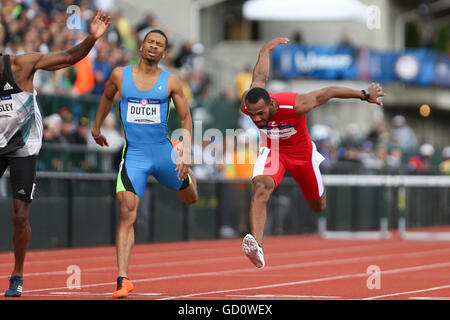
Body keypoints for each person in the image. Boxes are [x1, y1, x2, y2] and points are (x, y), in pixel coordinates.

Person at [239, 38, 385, 269]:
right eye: (252, 115)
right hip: (273, 152)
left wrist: (364, 94)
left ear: (271, 106)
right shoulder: (248, 104)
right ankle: (257, 246)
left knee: (317, 206)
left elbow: (329, 91)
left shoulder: (297, 105)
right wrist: (265, 50)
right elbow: (259, 77)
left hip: (302, 156)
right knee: (261, 188)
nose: (255, 118)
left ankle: (318, 191)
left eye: (259, 114)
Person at [0, 9, 110, 297]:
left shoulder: (21, 65)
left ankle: (17, 275)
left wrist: (92, 38)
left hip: (23, 146)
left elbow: (69, 57)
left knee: (19, 216)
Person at [91, 29, 198, 299]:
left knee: (190, 198)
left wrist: (184, 153)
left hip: (164, 152)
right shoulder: (119, 75)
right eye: (150, 41)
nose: (154, 46)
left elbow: (186, 118)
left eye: (159, 44)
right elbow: (106, 97)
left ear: (163, 53)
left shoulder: (171, 81)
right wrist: (96, 127)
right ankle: (122, 279)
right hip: (135, 155)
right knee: (127, 211)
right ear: (141, 46)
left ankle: (188, 175)